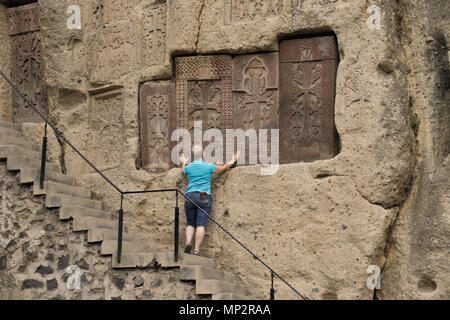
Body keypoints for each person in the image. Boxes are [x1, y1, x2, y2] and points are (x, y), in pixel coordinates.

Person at [179, 144, 239, 256]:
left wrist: (183, 162)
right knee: (200, 224)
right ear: (202, 154)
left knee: (190, 224)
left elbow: (183, 171)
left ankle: (188, 243)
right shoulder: (208, 166)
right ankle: (196, 250)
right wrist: (233, 159)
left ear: (192, 156)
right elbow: (223, 169)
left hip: (190, 195)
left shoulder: (189, 168)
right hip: (203, 196)